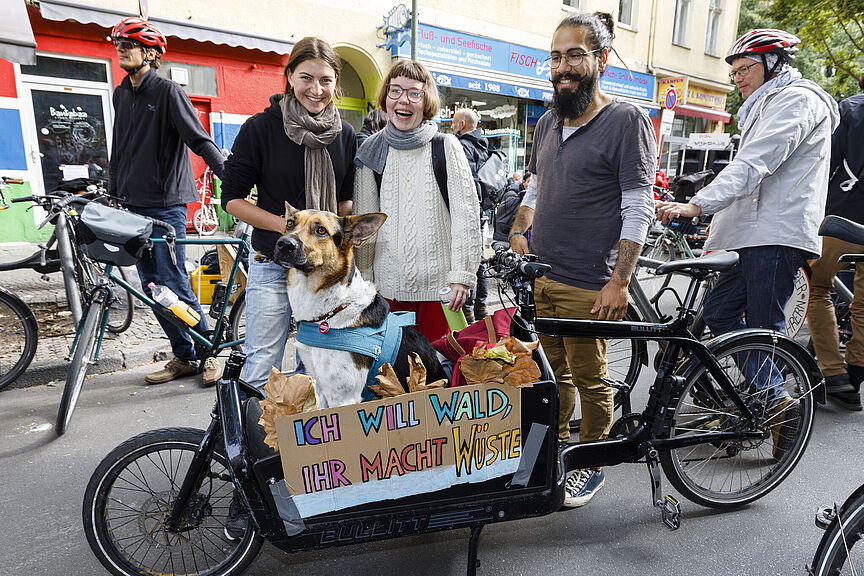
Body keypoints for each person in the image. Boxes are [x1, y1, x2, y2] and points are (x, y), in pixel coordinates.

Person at [656, 29, 839, 454]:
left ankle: (779, 407)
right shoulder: (764, 106)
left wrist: (697, 205)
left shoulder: (797, 101)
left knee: (763, 328)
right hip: (751, 234)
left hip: (774, 233)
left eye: (745, 68)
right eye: (734, 71)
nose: (737, 78)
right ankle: (768, 398)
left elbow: (757, 163)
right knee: (720, 314)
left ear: (773, 64)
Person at [507, 12, 656, 508]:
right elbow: (537, 187)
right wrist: (520, 227)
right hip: (542, 276)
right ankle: (560, 449)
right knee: (554, 374)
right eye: (555, 57)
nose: (562, 67)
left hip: (590, 281)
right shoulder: (549, 121)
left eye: (574, 55)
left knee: (592, 379)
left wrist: (620, 282)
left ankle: (592, 463)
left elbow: (639, 206)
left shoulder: (626, 121)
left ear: (601, 59)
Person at [221, 36, 357, 389]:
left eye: (326, 80)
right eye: (306, 78)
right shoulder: (260, 128)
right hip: (273, 263)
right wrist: (292, 229)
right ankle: (252, 427)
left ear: (336, 83)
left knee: (315, 368)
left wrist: (341, 233)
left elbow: (344, 203)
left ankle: (304, 429)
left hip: (323, 273)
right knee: (261, 365)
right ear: (290, 77)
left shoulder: (344, 134)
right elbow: (232, 200)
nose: (316, 89)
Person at [108, 17, 225, 386]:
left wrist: (231, 179)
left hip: (165, 205)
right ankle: (184, 356)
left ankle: (209, 352)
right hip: (131, 206)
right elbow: (119, 148)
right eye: (118, 44)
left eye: (129, 44)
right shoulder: (121, 94)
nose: (121, 49)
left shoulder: (168, 92)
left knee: (173, 281)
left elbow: (200, 140)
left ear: (150, 53)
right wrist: (113, 192)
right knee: (151, 287)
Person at [354, 60, 481, 342]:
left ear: (426, 101)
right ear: (386, 97)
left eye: (414, 93)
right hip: (386, 292)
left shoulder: (446, 146)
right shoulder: (370, 150)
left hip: (441, 293)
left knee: (439, 364)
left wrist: (462, 276)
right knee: (390, 369)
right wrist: (363, 283)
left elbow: (466, 217)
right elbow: (364, 227)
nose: (404, 100)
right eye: (395, 90)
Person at [806, 73, 864, 411]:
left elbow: (823, 162)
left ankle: (833, 371)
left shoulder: (851, 109)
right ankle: (856, 370)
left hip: (842, 219)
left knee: (817, 288)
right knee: (863, 302)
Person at [451, 107, 490, 322]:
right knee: (479, 259)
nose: (452, 126)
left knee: (470, 258)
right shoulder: (483, 145)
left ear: (462, 125)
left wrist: (474, 210)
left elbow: (469, 181)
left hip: (471, 212)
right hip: (482, 211)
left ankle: (467, 309)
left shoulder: (463, 146)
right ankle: (481, 306)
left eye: (454, 122)